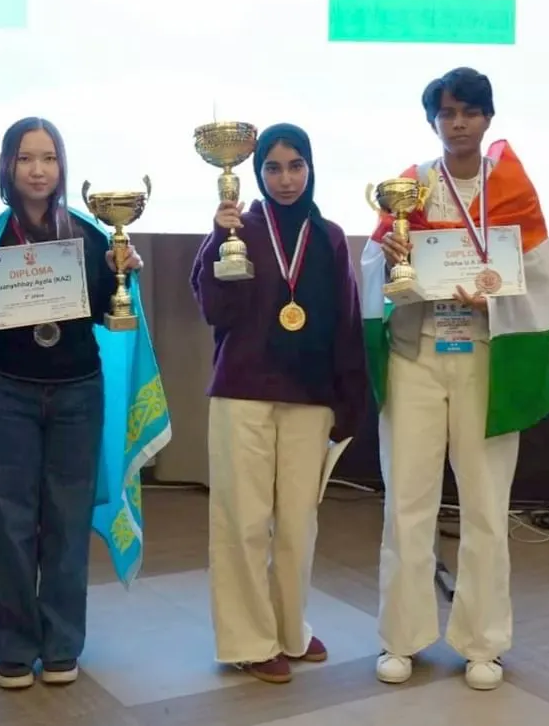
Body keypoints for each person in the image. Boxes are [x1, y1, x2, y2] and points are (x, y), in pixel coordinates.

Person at [0, 117, 171, 690]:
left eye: (49, 158)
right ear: (6, 166)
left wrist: (125, 277)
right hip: (8, 392)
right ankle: (12, 647)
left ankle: (62, 644)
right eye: (25, 158)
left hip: (77, 393)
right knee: (9, 521)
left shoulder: (91, 234)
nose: (37, 170)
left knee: (67, 519)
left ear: (62, 167)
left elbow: (110, 315)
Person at [361, 67, 549, 691]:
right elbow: (372, 270)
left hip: (484, 359)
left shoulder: (513, 189)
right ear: (433, 122)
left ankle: (482, 642)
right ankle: (401, 637)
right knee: (406, 501)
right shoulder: (411, 184)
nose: (458, 123)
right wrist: (391, 262)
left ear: (488, 118)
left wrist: (491, 299)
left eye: (469, 111)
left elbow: (539, 280)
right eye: (446, 113)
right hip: (415, 356)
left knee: (486, 505)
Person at [190, 123, 370, 684]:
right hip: (243, 391)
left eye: (296, 166)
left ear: (310, 169)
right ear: (257, 172)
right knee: (242, 520)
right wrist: (218, 239)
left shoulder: (330, 236)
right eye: (273, 168)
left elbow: (345, 320)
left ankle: (290, 627)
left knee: (297, 524)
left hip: (309, 396)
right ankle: (248, 640)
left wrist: (348, 400)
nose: (286, 179)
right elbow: (215, 310)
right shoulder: (237, 229)